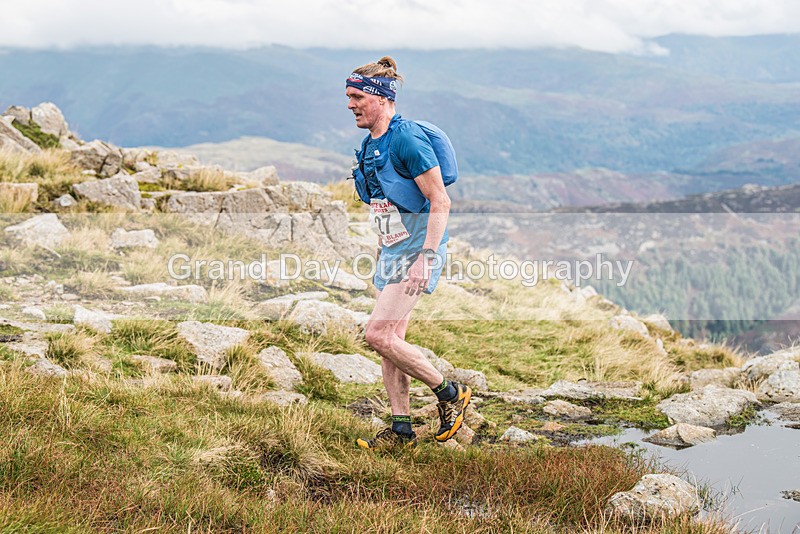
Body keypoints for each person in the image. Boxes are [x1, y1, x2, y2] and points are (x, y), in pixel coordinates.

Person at [345, 56, 471, 450]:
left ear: (381, 98)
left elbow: (440, 200)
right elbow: (385, 203)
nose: (350, 105)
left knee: (377, 333)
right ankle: (401, 431)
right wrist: (384, 247)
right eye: (348, 97)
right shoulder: (371, 145)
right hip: (394, 248)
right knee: (391, 338)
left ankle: (451, 394)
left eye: (357, 96)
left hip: (420, 247)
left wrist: (426, 256)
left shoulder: (407, 139)